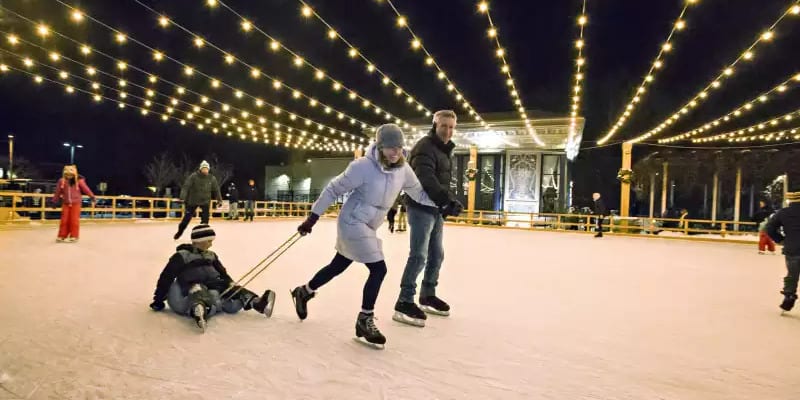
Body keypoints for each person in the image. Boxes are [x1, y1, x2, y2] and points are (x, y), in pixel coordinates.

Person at [289, 124, 448, 349]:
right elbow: (333, 189)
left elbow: (419, 193)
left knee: (338, 265)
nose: (396, 153)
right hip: (352, 221)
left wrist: (444, 204)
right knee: (379, 269)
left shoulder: (403, 169)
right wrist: (312, 218)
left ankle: (304, 291)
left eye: (400, 148)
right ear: (380, 147)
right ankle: (364, 320)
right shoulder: (362, 167)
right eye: (390, 148)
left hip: (369, 225)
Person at [395, 110, 464, 328]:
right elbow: (426, 179)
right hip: (420, 207)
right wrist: (446, 201)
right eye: (444, 126)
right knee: (419, 255)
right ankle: (404, 301)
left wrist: (449, 200)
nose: (448, 130)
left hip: (434, 208)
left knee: (437, 254)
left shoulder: (444, 150)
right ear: (434, 125)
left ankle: (427, 294)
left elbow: (442, 182)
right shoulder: (424, 147)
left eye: (451, 127)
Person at [150, 224, 276, 331]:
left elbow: (222, 272)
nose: (211, 244)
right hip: (191, 284)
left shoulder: (211, 255)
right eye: (209, 241)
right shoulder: (182, 256)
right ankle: (199, 308)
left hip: (214, 283)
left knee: (233, 289)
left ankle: (257, 303)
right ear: (198, 241)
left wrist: (230, 283)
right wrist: (158, 299)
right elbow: (166, 276)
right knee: (197, 289)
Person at [767, 192, 800, 313]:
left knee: (792, 275)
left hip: (792, 248)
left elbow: (769, 228)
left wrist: (780, 240)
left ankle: (789, 297)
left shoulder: (783, 212)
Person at [174, 160, 222, 240]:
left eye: (207, 169)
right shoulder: (194, 176)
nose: (205, 170)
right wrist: (182, 197)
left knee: (205, 220)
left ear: (208, 169)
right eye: (204, 168)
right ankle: (180, 231)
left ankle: (204, 235)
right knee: (187, 218)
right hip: (193, 200)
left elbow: (216, 190)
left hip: (205, 201)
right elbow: (186, 186)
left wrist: (219, 200)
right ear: (200, 169)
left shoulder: (211, 178)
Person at [52, 164, 95, 243]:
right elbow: (57, 192)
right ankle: (62, 235)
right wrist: (55, 201)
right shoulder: (62, 181)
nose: (68, 176)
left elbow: (86, 189)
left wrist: (92, 196)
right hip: (66, 203)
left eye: (70, 174)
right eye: (67, 174)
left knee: (74, 220)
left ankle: (74, 236)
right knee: (64, 220)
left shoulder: (78, 181)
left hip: (76, 203)